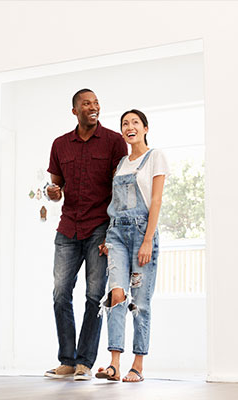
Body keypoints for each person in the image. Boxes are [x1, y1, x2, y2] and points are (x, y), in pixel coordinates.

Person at [43, 89, 128, 381]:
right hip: (68, 227)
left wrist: (113, 234)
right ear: (75, 111)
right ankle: (67, 360)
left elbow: (122, 189)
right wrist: (53, 193)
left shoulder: (115, 142)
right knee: (60, 294)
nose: (93, 107)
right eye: (86, 104)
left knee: (94, 295)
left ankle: (85, 362)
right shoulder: (60, 145)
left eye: (96, 103)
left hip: (99, 228)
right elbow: (56, 189)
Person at [94, 109, 168, 383]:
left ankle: (137, 364)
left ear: (145, 128)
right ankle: (114, 362)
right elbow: (113, 204)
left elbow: (157, 201)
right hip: (116, 235)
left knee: (140, 302)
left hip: (141, 233)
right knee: (115, 295)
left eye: (135, 122)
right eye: (125, 123)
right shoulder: (122, 163)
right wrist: (107, 238)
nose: (129, 127)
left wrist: (148, 240)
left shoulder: (155, 157)